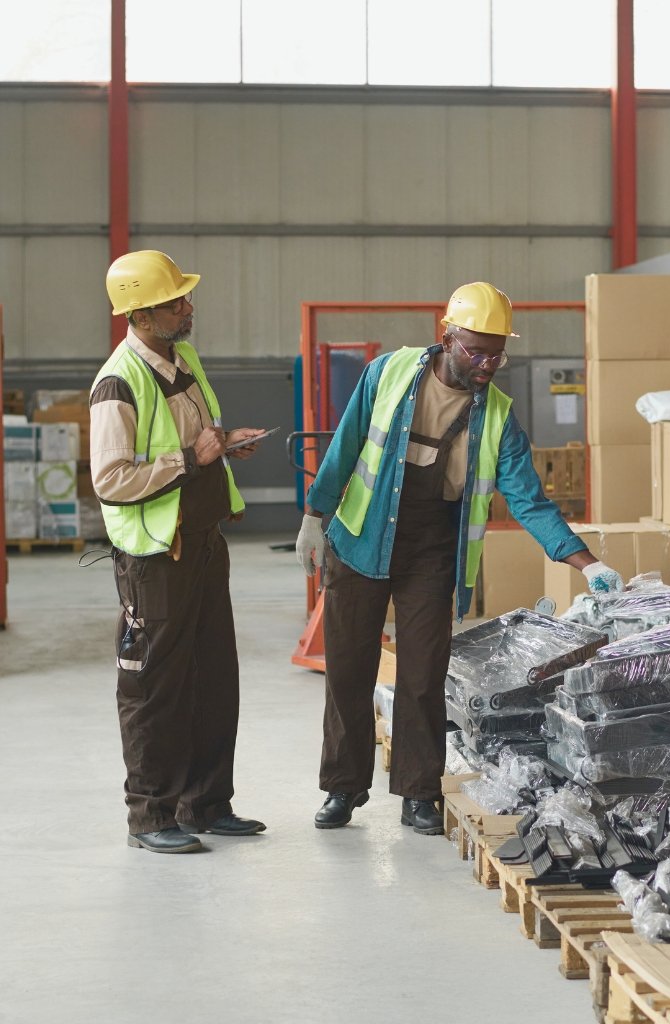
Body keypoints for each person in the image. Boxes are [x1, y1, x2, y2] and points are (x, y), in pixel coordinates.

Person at [295, 282, 623, 836]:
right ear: (445, 335)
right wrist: (314, 515)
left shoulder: (497, 417)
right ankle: (343, 788)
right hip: (360, 538)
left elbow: (528, 500)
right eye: (476, 349)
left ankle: (419, 793)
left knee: (423, 677)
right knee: (348, 673)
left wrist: (585, 563)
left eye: (497, 352)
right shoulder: (389, 374)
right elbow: (347, 444)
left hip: (431, 550)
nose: (488, 362)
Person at [90, 250, 267, 854]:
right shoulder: (118, 382)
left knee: (214, 677)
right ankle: (151, 815)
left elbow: (197, 437)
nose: (188, 307)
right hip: (156, 557)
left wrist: (224, 444)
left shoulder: (182, 359)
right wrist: (191, 460)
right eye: (176, 300)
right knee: (154, 688)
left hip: (203, 542)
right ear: (141, 313)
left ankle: (207, 804)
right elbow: (111, 479)